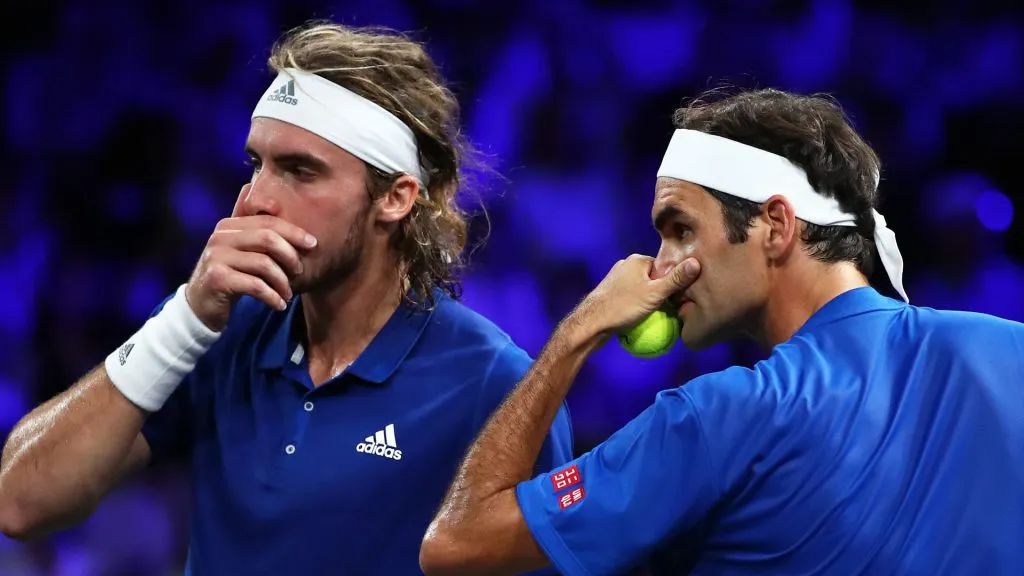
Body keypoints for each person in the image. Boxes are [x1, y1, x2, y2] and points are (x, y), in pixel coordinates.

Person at [0, 21, 573, 575]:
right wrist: (184, 320)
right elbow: (21, 502)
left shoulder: (493, 382)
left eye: (300, 171)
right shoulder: (208, 329)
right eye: (257, 164)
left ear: (395, 198)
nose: (254, 201)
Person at [419, 88, 1024, 575]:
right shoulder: (1009, 349)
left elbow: (458, 542)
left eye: (679, 229)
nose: (658, 268)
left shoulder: (716, 414)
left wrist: (580, 328)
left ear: (776, 225)